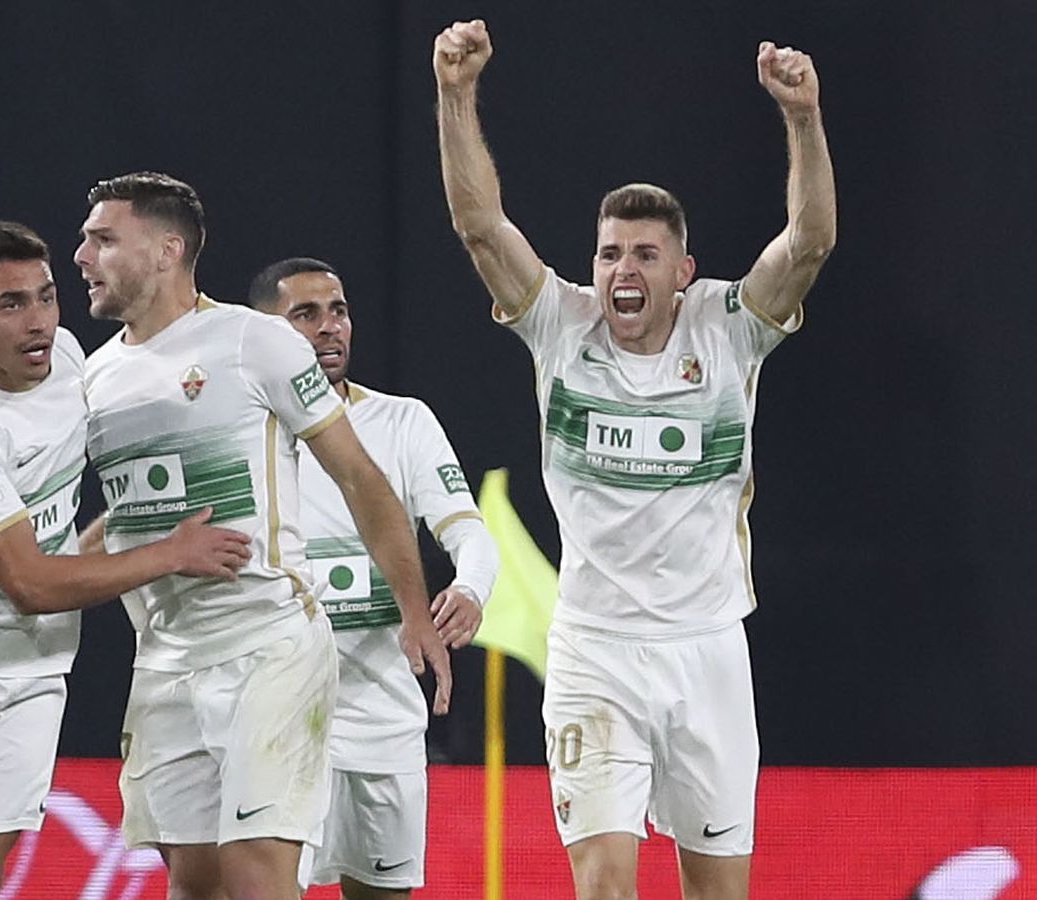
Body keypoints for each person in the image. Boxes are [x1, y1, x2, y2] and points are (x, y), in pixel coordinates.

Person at [434, 19, 835, 900]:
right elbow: (479, 226)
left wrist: (802, 119)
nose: (624, 267)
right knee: (606, 885)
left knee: (718, 892)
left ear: (683, 271)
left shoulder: (728, 330)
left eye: (645, 254)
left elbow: (808, 243)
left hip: (708, 652)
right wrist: (456, 96)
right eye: (611, 251)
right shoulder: (561, 325)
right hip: (595, 650)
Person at [76, 172, 452, 900]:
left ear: (165, 250)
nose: (82, 256)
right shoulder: (93, 380)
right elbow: (125, 519)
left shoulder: (256, 343)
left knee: (257, 879)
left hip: (267, 648)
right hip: (165, 661)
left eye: (102, 239)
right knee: (196, 887)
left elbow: (362, 481)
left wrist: (414, 611)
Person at [0, 220, 252, 900]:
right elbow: (31, 582)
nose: (37, 321)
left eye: (45, 297)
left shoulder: (66, 358)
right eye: (11, 305)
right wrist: (169, 551)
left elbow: (74, 507)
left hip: (32, 669)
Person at [250, 257, 500, 899]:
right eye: (305, 314)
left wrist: (470, 588)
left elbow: (470, 533)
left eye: (338, 310)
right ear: (263, 331)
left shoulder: (402, 422)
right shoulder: (238, 437)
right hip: (279, 723)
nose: (329, 328)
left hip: (384, 721)